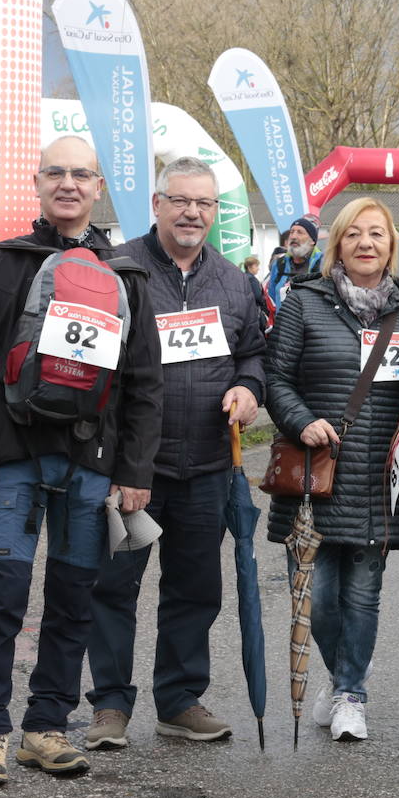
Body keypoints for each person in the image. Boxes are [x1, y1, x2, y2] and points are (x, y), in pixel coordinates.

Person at [0, 136, 163, 787]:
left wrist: (133, 472)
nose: (68, 184)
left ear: (98, 187)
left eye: (81, 174)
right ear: (37, 182)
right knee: (3, 595)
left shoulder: (127, 275)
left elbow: (144, 381)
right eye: (56, 173)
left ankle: (45, 727)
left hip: (92, 465)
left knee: (73, 600)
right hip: (13, 460)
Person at [84, 158, 267, 750]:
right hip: (130, 468)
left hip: (208, 466)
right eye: (181, 201)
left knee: (194, 589)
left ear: (216, 212)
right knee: (112, 589)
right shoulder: (117, 269)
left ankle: (179, 700)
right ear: (157, 204)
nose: (192, 213)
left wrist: (250, 388)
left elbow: (253, 355)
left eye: (204, 204)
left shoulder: (236, 283)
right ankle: (109, 705)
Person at [264, 197, 399, 743]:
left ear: (391, 245)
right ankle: (345, 674)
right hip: (314, 473)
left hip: (380, 480)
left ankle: (351, 693)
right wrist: (302, 420)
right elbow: (275, 379)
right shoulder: (303, 305)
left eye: (377, 234)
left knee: (362, 596)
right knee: (317, 597)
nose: (366, 243)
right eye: (354, 234)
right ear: (338, 244)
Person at [267, 217, 323, 315]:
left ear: (312, 241)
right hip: (283, 324)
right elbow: (271, 297)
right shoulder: (279, 264)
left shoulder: (323, 263)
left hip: (312, 325)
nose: (293, 236)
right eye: (292, 232)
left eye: (300, 232)